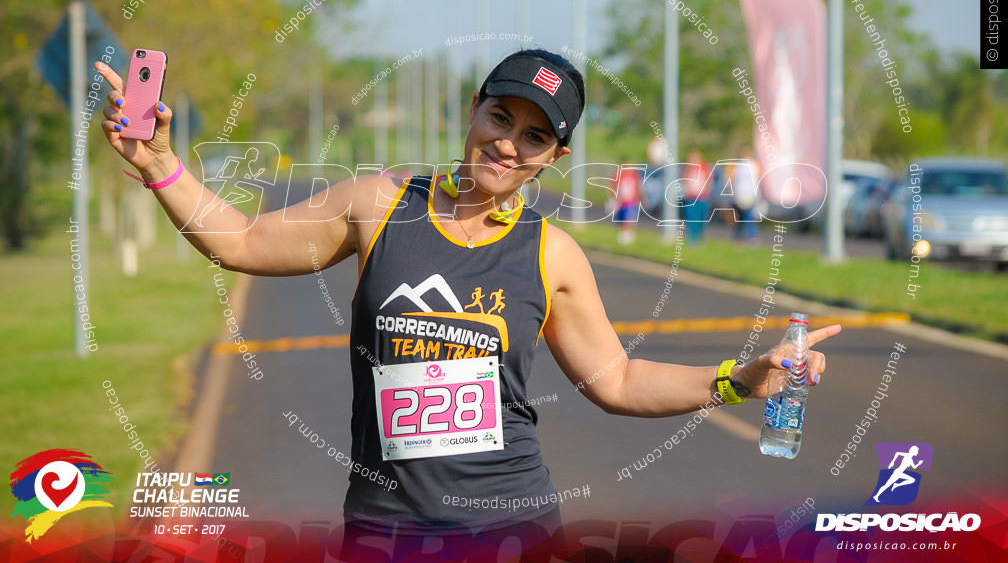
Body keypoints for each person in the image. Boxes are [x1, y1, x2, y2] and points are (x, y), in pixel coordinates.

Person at [96, 49, 840, 558]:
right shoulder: (378, 205)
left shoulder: (552, 255)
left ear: (556, 156)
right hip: (384, 527)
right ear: (474, 110)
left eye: (534, 136)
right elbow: (244, 244)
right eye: (500, 119)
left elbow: (615, 380)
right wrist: (164, 168)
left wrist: (737, 380)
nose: (508, 146)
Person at [728, 145, 763, 244]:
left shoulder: (754, 164)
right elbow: (730, 179)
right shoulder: (736, 165)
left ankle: (751, 236)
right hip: (739, 195)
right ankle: (739, 237)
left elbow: (759, 178)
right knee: (741, 218)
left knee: (749, 217)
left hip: (751, 195)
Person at [680, 148, 712, 244]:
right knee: (692, 219)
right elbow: (684, 182)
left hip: (702, 197)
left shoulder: (704, 167)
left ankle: (700, 237)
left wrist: (707, 191)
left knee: (702, 219)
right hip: (690, 197)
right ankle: (692, 239)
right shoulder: (687, 168)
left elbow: (709, 180)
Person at [611, 159, 643, 245]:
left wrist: (641, 199)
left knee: (630, 220)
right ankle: (622, 238)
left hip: (632, 202)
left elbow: (638, 188)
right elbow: (614, 187)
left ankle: (629, 239)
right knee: (621, 221)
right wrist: (614, 198)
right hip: (622, 203)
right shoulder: (619, 176)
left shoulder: (635, 176)